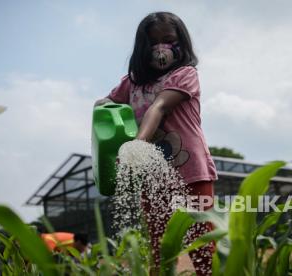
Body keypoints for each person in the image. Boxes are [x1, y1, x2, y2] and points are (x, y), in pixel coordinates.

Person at [95, 11, 217, 276]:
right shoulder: (132, 83)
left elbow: (159, 107)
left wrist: (136, 145)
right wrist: (101, 108)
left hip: (190, 172)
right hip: (153, 178)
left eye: (168, 39)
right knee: (160, 250)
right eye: (153, 42)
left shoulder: (186, 74)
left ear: (181, 43)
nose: (161, 48)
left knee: (202, 248)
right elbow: (107, 103)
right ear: (142, 47)